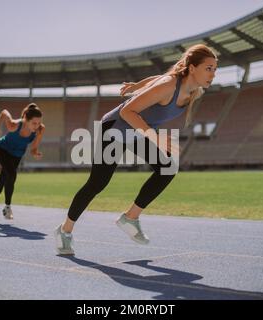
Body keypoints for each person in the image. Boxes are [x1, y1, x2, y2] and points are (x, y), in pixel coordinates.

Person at [55, 44, 217, 255]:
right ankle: (64, 231)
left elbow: (158, 79)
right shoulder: (170, 85)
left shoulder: (193, 91)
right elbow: (127, 111)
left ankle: (130, 218)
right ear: (192, 68)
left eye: (215, 69)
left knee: (167, 167)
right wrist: (153, 135)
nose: (213, 74)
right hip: (114, 128)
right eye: (208, 68)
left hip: (136, 131)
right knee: (97, 183)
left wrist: (137, 86)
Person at [0, 103, 45, 222]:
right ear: (26, 119)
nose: (37, 126)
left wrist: (35, 153)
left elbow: (33, 149)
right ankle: (7, 207)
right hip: (2, 150)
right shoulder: (14, 125)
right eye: (34, 123)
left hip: (16, 155)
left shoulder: (40, 129)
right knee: (11, 175)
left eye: (38, 123)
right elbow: (4, 112)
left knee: (3, 179)